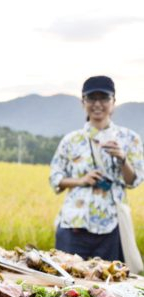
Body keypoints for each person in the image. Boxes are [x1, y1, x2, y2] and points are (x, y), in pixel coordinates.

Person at [49, 76, 144, 261]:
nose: (97, 104)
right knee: (67, 285)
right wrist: (81, 180)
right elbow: (55, 177)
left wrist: (122, 158)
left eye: (104, 98)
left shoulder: (129, 138)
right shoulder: (71, 140)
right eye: (92, 98)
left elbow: (135, 180)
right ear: (83, 102)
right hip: (73, 225)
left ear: (114, 102)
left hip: (111, 227)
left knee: (109, 284)